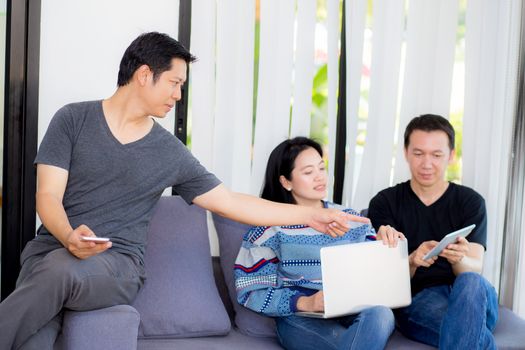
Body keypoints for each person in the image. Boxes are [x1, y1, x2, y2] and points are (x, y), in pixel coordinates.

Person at [0, 32, 367, 350]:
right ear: (144, 75)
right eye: (175, 83)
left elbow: (230, 202)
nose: (178, 94)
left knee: (58, 272)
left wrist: (312, 214)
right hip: (50, 251)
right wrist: (66, 235)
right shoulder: (72, 120)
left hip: (118, 267)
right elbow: (47, 196)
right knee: (36, 326)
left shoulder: (168, 151)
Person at [234, 137, 404, 350]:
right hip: (300, 317)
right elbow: (249, 291)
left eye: (321, 168)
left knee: (381, 314)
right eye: (308, 172)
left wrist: (385, 245)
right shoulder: (267, 229)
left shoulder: (351, 219)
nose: (320, 177)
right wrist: (306, 302)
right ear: (286, 181)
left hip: (355, 310)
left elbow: (378, 278)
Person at [368, 114, 498, 350]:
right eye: (418, 153)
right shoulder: (385, 202)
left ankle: (470, 324)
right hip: (420, 298)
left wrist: (460, 259)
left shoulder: (470, 201)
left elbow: (475, 267)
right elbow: (385, 282)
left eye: (436, 155)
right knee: (468, 331)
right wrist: (412, 261)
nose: (427, 164)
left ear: (451, 156)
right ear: (406, 153)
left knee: (470, 280)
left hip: (473, 296)